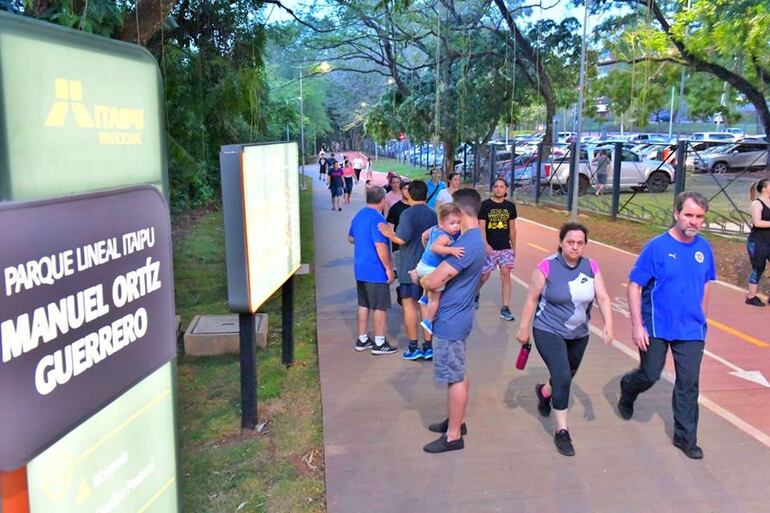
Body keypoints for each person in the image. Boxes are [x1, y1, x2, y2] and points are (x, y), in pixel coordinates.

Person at [618, 191, 716, 460]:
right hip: (657, 325)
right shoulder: (657, 247)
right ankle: (628, 390)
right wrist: (637, 326)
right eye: (689, 215)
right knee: (650, 374)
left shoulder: (704, 248)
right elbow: (635, 285)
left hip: (691, 329)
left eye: (699, 217)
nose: (694, 221)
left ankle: (685, 438)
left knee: (688, 383)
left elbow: (707, 281)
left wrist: (702, 317)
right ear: (676, 214)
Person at [516, 222, 614, 456]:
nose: (575, 247)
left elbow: (603, 296)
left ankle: (545, 392)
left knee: (565, 376)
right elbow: (532, 299)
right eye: (570, 242)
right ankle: (562, 431)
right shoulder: (547, 267)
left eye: (580, 243)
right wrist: (523, 328)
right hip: (548, 329)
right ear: (561, 242)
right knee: (563, 377)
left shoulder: (591, 267)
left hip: (579, 334)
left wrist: (609, 323)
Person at [420, 188, 485, 453]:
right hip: (460, 313)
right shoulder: (476, 240)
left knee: (455, 376)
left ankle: (454, 436)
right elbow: (485, 274)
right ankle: (455, 421)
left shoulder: (466, 244)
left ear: (459, 211)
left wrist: (420, 279)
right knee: (457, 371)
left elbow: (435, 280)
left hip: (451, 319)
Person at [378, 181, 437, 360]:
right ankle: (428, 346)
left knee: (409, 305)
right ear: (426, 195)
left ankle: (413, 346)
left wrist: (389, 234)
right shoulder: (434, 214)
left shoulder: (407, 214)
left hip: (409, 266)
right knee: (426, 304)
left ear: (408, 194)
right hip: (430, 266)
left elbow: (402, 239)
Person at [348, 186, 398, 355]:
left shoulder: (359, 215)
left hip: (360, 267)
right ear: (382, 201)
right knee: (379, 306)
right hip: (375, 269)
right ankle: (379, 341)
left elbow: (350, 237)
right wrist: (389, 269)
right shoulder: (378, 220)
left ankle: (362, 338)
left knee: (364, 304)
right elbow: (381, 246)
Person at [411, 203, 464, 335]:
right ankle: (428, 320)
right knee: (436, 297)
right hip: (432, 269)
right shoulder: (445, 237)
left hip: (422, 264)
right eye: (452, 223)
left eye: (458, 222)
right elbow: (435, 247)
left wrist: (426, 250)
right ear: (441, 222)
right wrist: (451, 250)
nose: (456, 226)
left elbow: (424, 236)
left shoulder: (434, 229)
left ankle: (423, 297)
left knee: (428, 287)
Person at [477, 178, 518, 320]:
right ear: (493, 188)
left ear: (506, 189)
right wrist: (485, 244)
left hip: (505, 248)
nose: (499, 189)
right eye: (496, 186)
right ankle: (475, 292)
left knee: (506, 275)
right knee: (484, 276)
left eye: (502, 187)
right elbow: (481, 227)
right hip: (490, 248)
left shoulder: (510, 207)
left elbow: (512, 228)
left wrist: (514, 247)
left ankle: (505, 307)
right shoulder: (485, 206)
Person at [745, 178, 770, 306]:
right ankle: (751, 297)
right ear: (764, 188)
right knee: (758, 269)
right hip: (757, 242)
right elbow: (757, 222)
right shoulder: (757, 204)